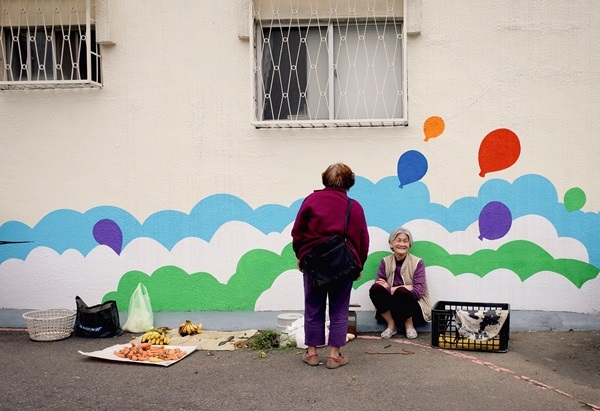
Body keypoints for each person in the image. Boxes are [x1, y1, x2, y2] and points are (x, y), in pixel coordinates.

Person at [292, 163, 369, 369]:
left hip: (313, 263)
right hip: (343, 265)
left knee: (313, 307)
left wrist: (301, 255)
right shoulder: (354, 206)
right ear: (349, 183)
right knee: (339, 309)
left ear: (325, 179)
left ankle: (311, 353)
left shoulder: (311, 200)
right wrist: (359, 265)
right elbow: (363, 239)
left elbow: (298, 232)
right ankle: (334, 356)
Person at [369, 227, 431, 339]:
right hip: (392, 309)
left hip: (413, 309)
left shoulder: (418, 263)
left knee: (401, 291)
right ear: (391, 243)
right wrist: (408, 287)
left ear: (410, 245)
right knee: (375, 289)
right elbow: (379, 286)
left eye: (405, 241)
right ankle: (391, 325)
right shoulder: (384, 262)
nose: (402, 244)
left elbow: (418, 293)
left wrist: (390, 288)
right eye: (398, 240)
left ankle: (409, 325)